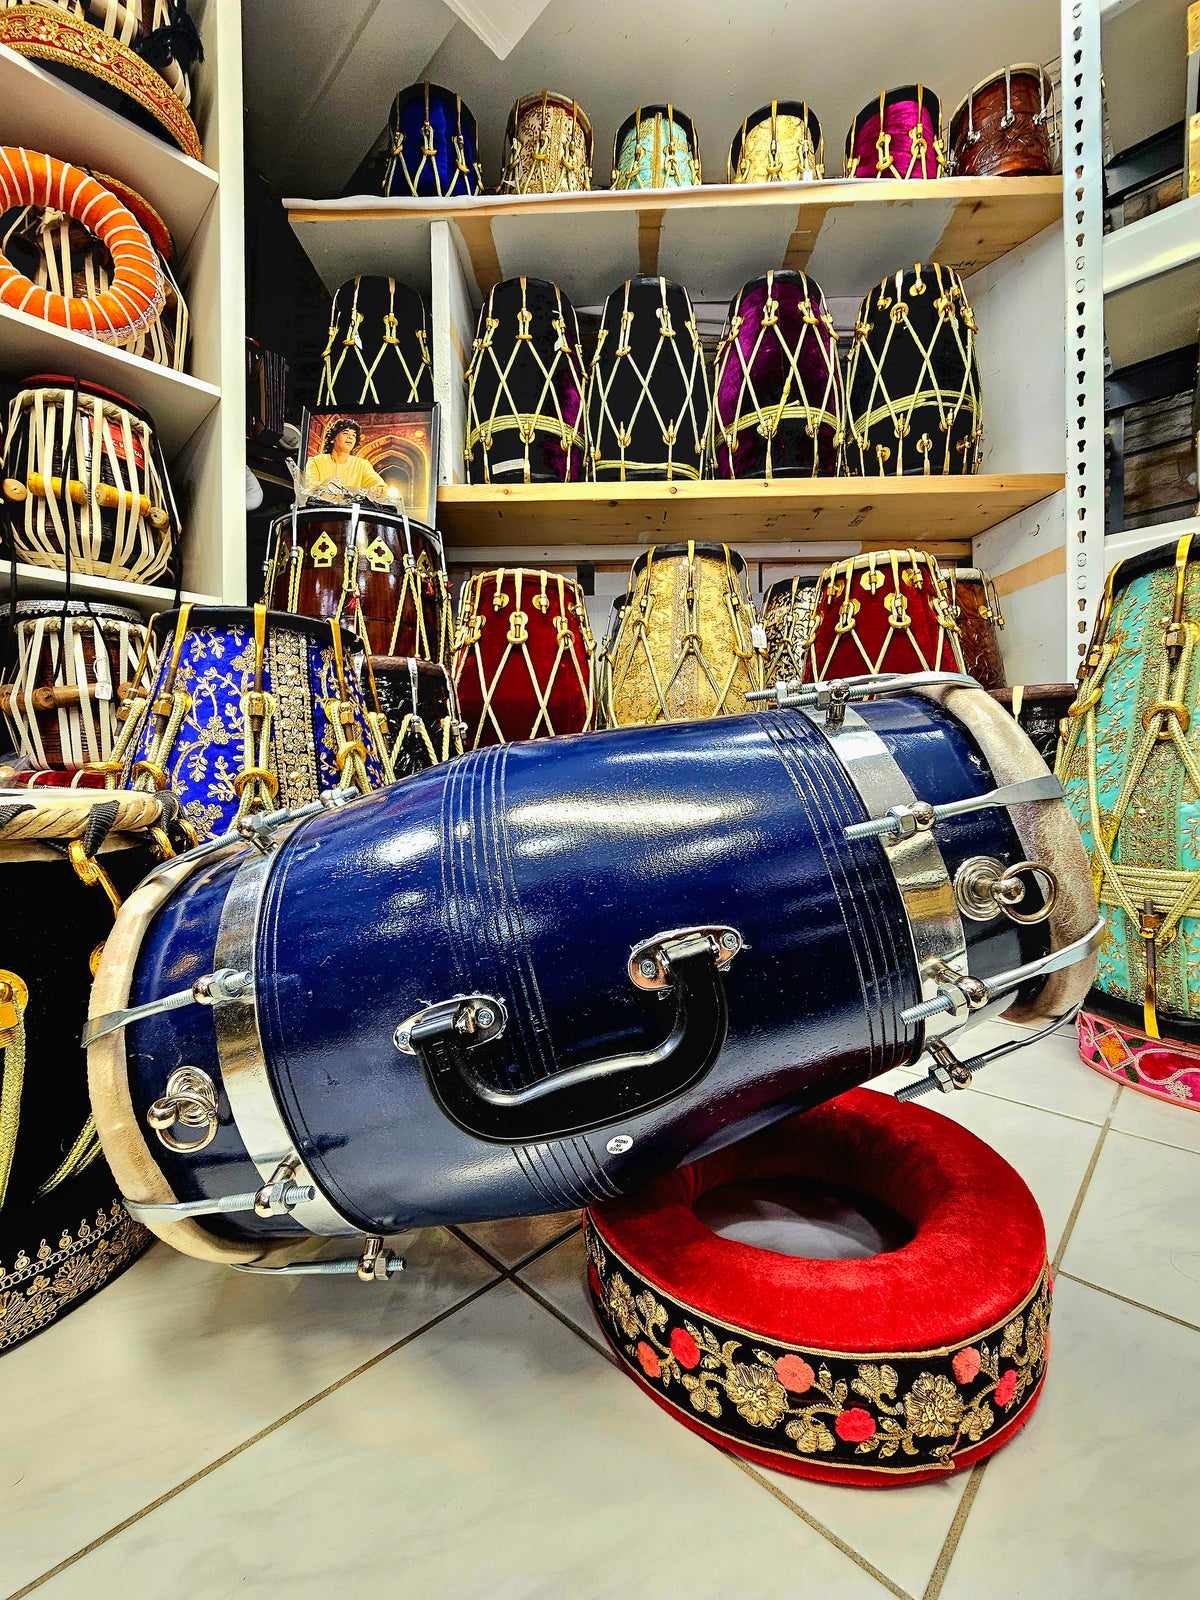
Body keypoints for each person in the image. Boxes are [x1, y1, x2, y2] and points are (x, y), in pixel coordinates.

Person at [304, 418, 389, 494]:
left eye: (354, 435)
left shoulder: (362, 464)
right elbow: (311, 485)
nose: (350, 437)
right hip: (322, 509)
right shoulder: (315, 461)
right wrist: (332, 493)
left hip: (352, 510)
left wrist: (379, 488)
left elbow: (375, 481)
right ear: (333, 439)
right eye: (345, 433)